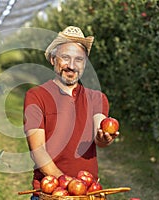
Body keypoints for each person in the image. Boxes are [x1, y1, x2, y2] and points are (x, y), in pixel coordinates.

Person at [23, 26, 119, 200]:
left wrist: (104, 137)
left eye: (79, 60)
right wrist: (68, 187)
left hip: (88, 194)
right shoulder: (36, 96)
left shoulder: (97, 98)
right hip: (50, 194)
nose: (72, 66)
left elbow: (100, 128)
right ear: (53, 59)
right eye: (65, 58)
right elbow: (38, 151)